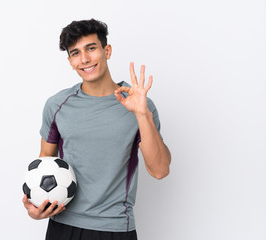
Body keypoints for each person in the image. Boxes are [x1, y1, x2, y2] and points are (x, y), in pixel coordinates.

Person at [22, 19, 171, 240]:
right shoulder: (57, 105)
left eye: (91, 48)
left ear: (107, 51)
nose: (84, 59)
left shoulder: (139, 104)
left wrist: (142, 114)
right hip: (63, 227)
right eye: (75, 53)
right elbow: (44, 164)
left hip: (115, 227)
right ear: (70, 61)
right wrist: (36, 208)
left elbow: (160, 170)